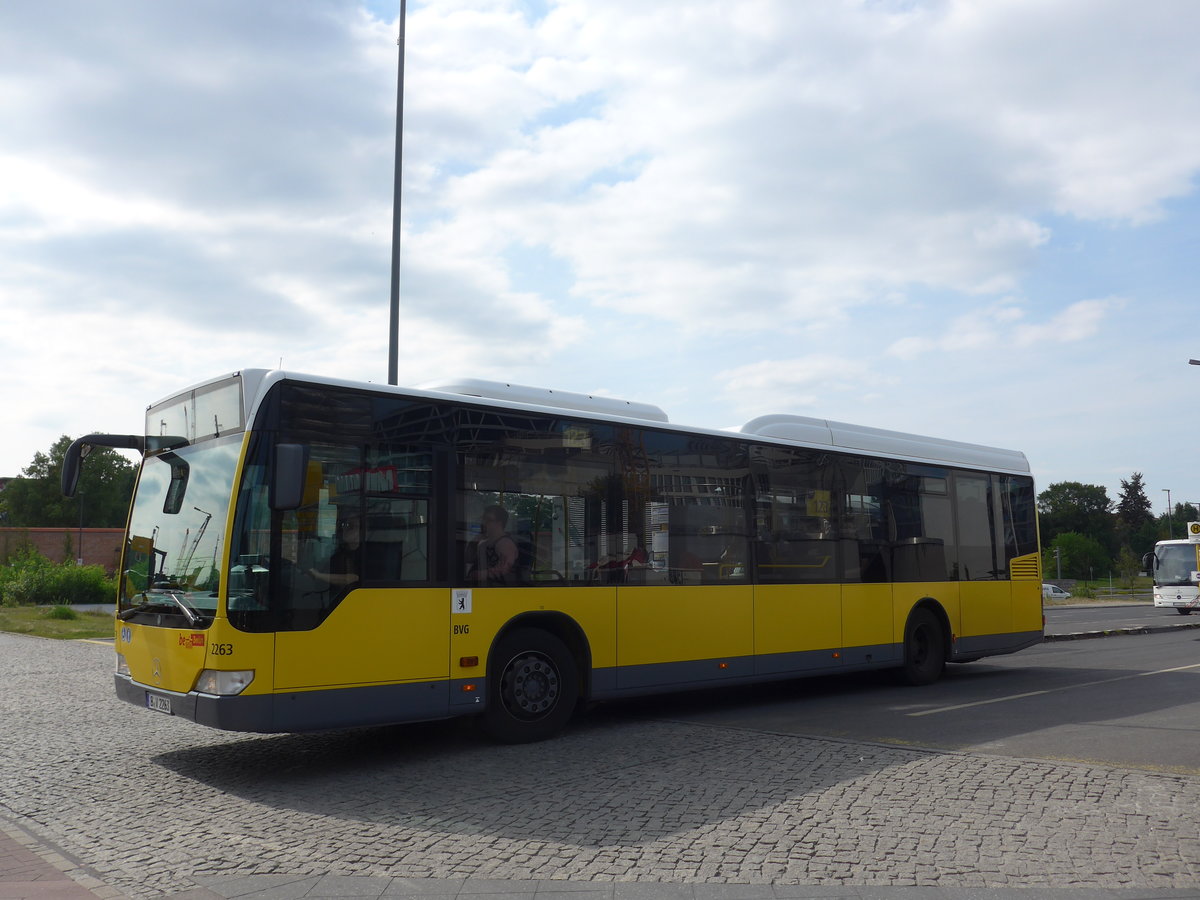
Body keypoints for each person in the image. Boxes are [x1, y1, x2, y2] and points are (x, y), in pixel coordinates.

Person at [470, 505, 519, 586]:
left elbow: (504, 570)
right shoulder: (483, 543)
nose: (484, 523)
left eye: (488, 520)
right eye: (483, 519)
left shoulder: (505, 544)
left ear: (499, 523)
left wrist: (478, 575)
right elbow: (468, 558)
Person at [309, 514, 361, 590]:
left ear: (362, 531)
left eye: (351, 526)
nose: (345, 528)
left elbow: (352, 578)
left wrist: (319, 575)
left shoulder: (368, 554)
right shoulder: (340, 553)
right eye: (345, 525)